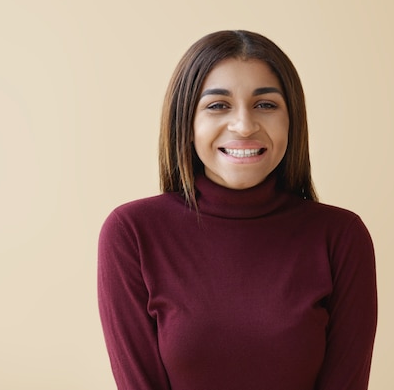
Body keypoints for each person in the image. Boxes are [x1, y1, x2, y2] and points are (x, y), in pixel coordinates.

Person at [97, 30, 377, 390]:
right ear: (187, 124)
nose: (244, 125)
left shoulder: (340, 237)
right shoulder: (132, 233)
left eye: (266, 104)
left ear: (292, 121)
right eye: (218, 105)